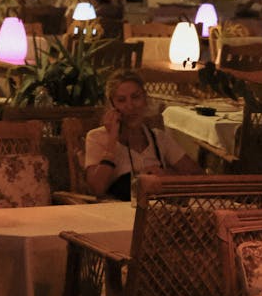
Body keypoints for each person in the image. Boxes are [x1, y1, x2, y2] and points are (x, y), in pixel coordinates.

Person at [85, 69, 200, 200]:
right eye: (121, 100)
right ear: (112, 106)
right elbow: (96, 189)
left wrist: (166, 174)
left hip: (159, 214)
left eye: (135, 97)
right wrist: (112, 140)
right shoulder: (96, 138)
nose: (130, 106)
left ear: (145, 99)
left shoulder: (159, 138)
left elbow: (197, 175)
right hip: (118, 215)